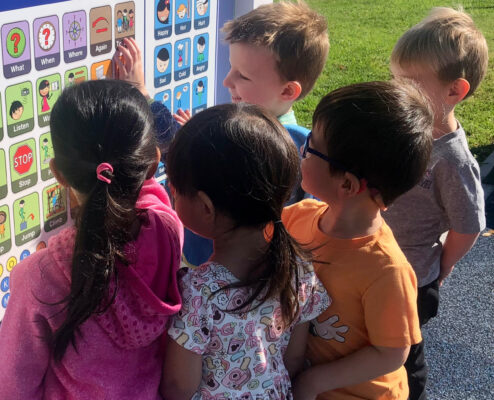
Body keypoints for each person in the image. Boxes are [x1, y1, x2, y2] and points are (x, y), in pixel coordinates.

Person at [0, 80, 184, 399]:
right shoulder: (168, 230)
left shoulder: (39, 277)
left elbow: (15, 384)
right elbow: (150, 192)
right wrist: (139, 103)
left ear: (58, 173)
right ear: (153, 162)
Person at [161, 104, 330, 399]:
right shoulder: (300, 268)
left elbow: (178, 387)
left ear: (205, 207)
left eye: (174, 188)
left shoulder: (197, 292)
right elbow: (293, 359)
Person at [284, 80, 433, 400]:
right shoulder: (297, 217)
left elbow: (392, 352)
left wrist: (314, 381)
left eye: (311, 145)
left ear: (348, 185)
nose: (301, 150)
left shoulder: (386, 269)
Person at [171, 1, 330, 265]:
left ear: (288, 91)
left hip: (215, 269)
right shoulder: (303, 144)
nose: (227, 81)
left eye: (242, 76)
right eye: (231, 67)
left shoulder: (262, 148)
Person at [381, 8, 488, 400]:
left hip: (413, 278)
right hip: (378, 261)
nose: (396, 92)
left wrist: (444, 264)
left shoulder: (453, 161)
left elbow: (468, 224)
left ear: (454, 91)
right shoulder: (407, 131)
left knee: (402, 355)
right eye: (395, 80)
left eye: (408, 83)